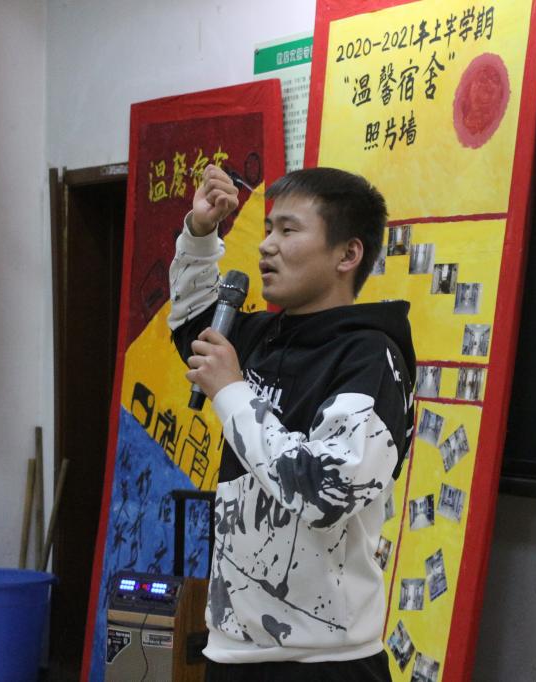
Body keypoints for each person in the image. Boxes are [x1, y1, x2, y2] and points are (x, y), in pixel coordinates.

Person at [167, 164, 416, 681]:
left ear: (347, 255)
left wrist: (233, 392)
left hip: (324, 662)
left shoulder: (370, 359)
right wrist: (201, 231)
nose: (266, 246)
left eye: (288, 230)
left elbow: (323, 492)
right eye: (267, 229)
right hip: (230, 652)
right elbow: (192, 322)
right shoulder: (260, 336)